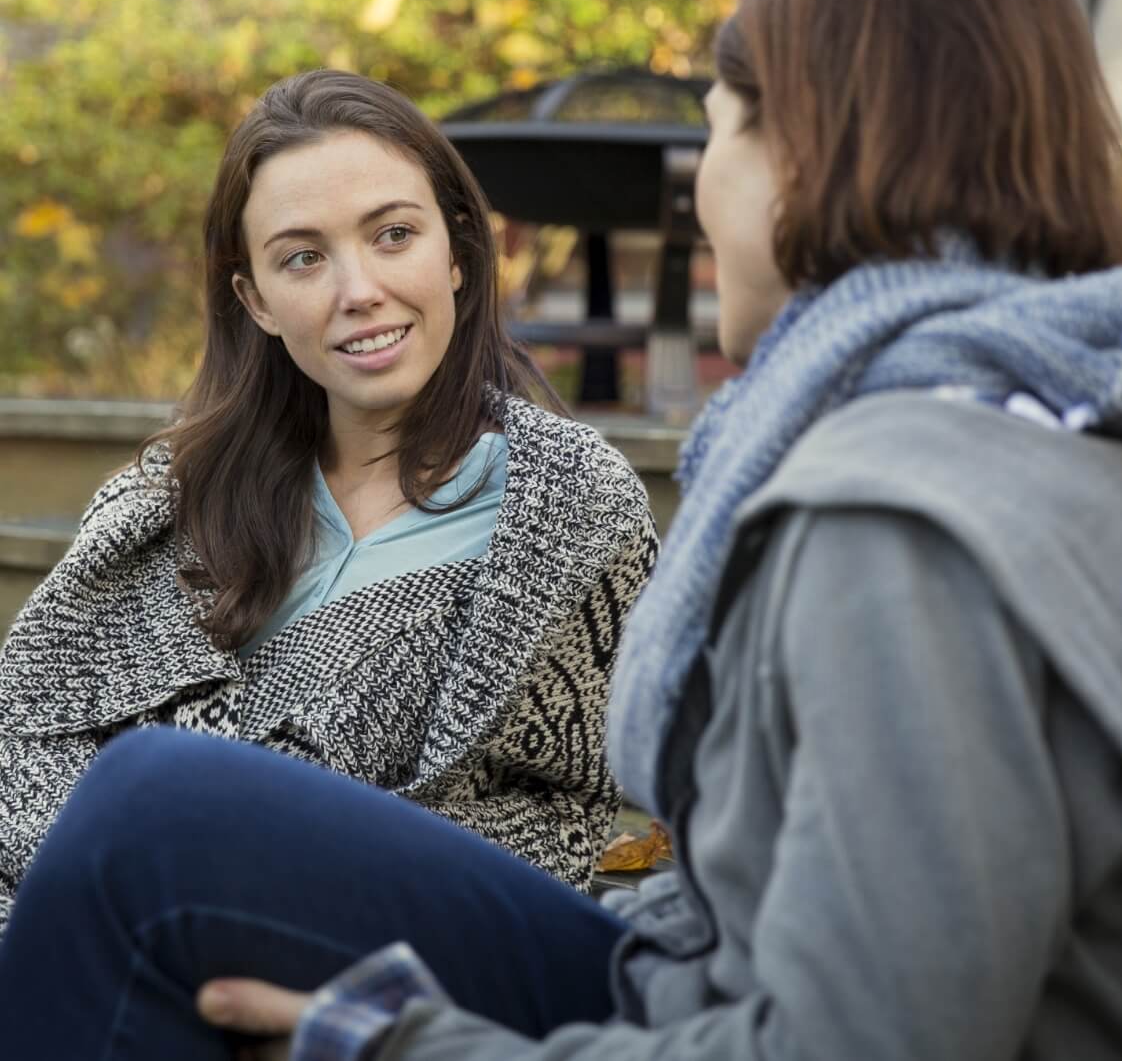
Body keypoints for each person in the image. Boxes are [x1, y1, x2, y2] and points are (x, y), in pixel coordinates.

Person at [3, 0, 1122, 1061]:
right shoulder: (985, 446)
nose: (700, 197)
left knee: (156, 810)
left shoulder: (900, 522)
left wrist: (385, 1041)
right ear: (251, 297)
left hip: (678, 1008)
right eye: (302, 256)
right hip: (669, 974)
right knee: (151, 807)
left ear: (807, 167)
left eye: (720, 135)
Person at [0, 70, 658, 933]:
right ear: (256, 300)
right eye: (303, 257)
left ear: (457, 251)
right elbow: (25, 734)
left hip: (374, 959)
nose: (358, 290)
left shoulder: (567, 511)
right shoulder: (169, 500)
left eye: (393, 235)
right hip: (88, 926)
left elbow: (538, 820)